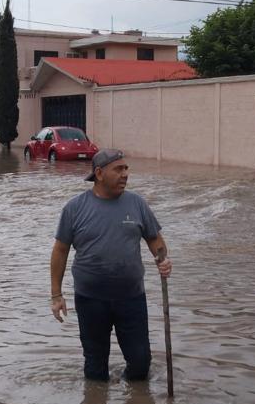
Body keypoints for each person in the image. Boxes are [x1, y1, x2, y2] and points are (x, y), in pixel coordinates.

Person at [50, 149, 172, 381]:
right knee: (95, 366)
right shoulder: (75, 208)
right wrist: (56, 294)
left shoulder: (137, 204)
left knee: (140, 363)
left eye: (126, 169)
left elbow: (154, 239)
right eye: (118, 169)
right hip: (90, 300)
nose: (125, 174)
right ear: (99, 173)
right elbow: (60, 250)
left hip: (131, 298)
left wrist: (163, 260)